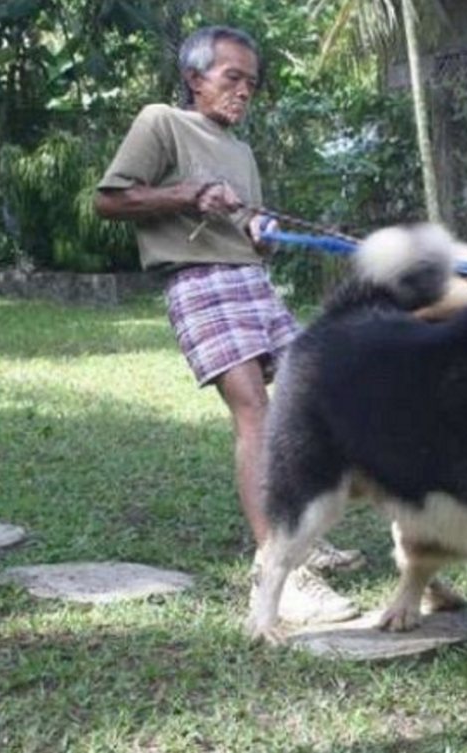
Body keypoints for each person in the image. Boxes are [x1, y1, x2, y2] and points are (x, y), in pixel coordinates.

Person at [93, 25, 363, 625]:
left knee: (309, 401)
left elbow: (252, 236)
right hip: (198, 281)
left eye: (251, 83)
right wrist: (188, 194)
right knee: (254, 410)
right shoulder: (161, 121)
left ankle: (301, 530)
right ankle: (277, 568)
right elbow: (109, 200)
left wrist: (260, 235)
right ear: (195, 79)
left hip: (251, 281)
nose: (244, 92)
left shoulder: (241, 152)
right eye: (231, 78)